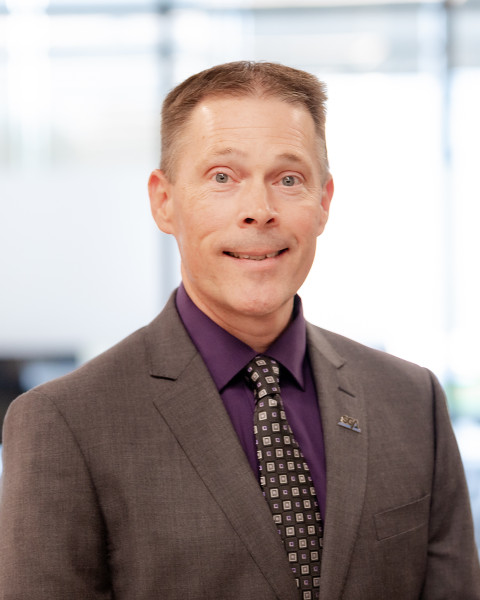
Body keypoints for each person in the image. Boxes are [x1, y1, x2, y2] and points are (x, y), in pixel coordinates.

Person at [0, 61, 478, 600]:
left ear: (323, 203)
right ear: (164, 201)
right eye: (222, 177)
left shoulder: (412, 401)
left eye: (288, 179)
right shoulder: (66, 422)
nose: (259, 211)